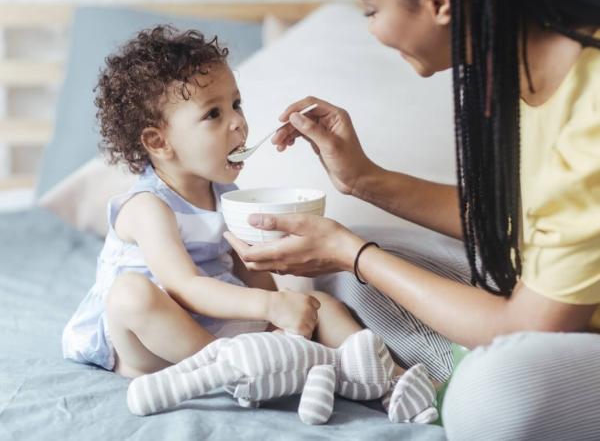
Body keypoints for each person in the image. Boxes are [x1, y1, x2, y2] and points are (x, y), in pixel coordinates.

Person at [224, 0, 600, 439]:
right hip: (565, 302)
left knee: (491, 397)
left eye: (370, 9)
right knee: (343, 278)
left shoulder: (591, 111)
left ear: (438, 0)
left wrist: (351, 253)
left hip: (546, 322)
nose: (372, 30)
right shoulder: (526, 58)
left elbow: (527, 327)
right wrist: (361, 180)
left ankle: (454, 373)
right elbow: (520, 220)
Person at [60, 25, 436, 422]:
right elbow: (185, 287)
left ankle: (393, 384)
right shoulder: (147, 207)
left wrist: (284, 310)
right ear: (158, 143)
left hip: (218, 326)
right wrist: (270, 305)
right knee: (130, 295)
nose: (238, 123)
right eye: (213, 114)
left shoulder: (226, 194)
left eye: (236, 104)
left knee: (319, 304)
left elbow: (245, 268)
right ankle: (238, 372)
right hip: (154, 344)